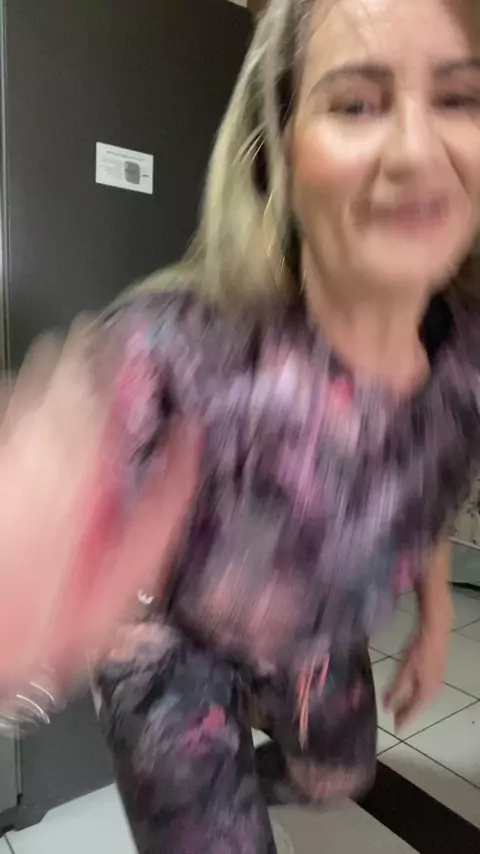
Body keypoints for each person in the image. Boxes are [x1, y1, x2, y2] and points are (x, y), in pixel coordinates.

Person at [0, 0, 480, 849]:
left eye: (457, 97)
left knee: (340, 771)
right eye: (355, 103)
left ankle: (244, 780)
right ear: (279, 146)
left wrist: (436, 612)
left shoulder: (466, 355)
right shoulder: (176, 348)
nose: (415, 151)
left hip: (313, 628)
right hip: (168, 647)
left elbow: (428, 481)